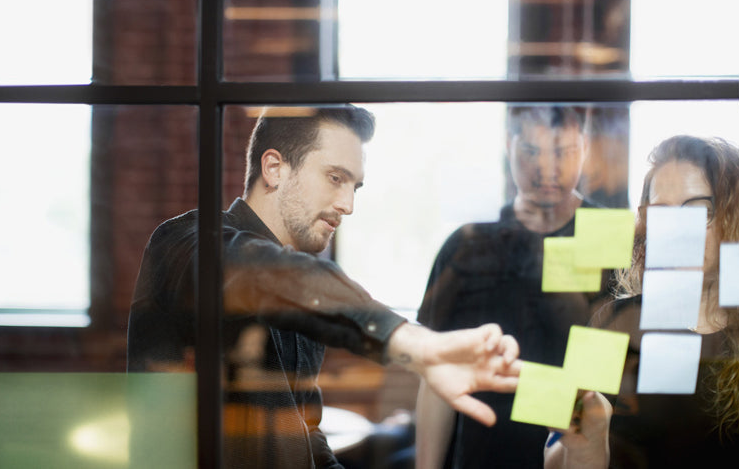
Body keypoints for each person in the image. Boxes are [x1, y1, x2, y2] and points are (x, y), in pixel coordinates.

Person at [126, 105, 521, 468]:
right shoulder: (183, 242)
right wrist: (415, 344)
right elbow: (260, 272)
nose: (348, 204)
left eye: (355, 187)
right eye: (335, 178)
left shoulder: (301, 287)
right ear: (275, 168)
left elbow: (307, 435)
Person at [415, 105, 608, 469]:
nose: (547, 169)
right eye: (532, 151)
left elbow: (602, 382)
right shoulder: (470, 244)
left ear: (583, 147)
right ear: (509, 146)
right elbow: (435, 377)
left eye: (563, 151)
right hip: (476, 455)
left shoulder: (609, 238)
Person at [545, 135, 739, 468]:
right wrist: (587, 443)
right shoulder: (614, 320)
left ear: (734, 216)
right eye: (661, 213)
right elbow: (554, 457)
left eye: (698, 210)